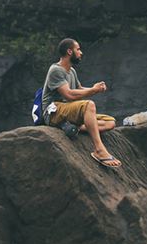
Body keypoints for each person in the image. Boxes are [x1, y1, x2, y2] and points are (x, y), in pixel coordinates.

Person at [42, 38, 122, 168]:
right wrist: (92, 91)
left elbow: (79, 89)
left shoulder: (71, 71)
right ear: (69, 51)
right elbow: (68, 94)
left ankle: (74, 127)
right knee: (88, 105)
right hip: (54, 111)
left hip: (68, 111)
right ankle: (99, 150)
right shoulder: (56, 70)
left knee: (110, 122)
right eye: (78, 49)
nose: (81, 53)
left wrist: (95, 89)